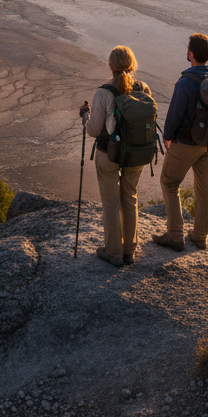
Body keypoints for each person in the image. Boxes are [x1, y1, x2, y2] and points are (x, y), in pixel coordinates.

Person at [78, 46, 152, 268]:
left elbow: (93, 130)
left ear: (111, 66)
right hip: (136, 153)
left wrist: (85, 116)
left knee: (111, 202)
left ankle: (113, 252)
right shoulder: (143, 88)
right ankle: (129, 250)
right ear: (133, 65)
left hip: (108, 153)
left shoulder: (104, 93)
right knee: (129, 197)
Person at [152, 32, 208, 252]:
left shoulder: (186, 82)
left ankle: (175, 236)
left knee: (169, 183)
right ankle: (200, 236)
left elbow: (174, 114)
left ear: (190, 53)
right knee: (204, 185)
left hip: (187, 143)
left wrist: (167, 136)